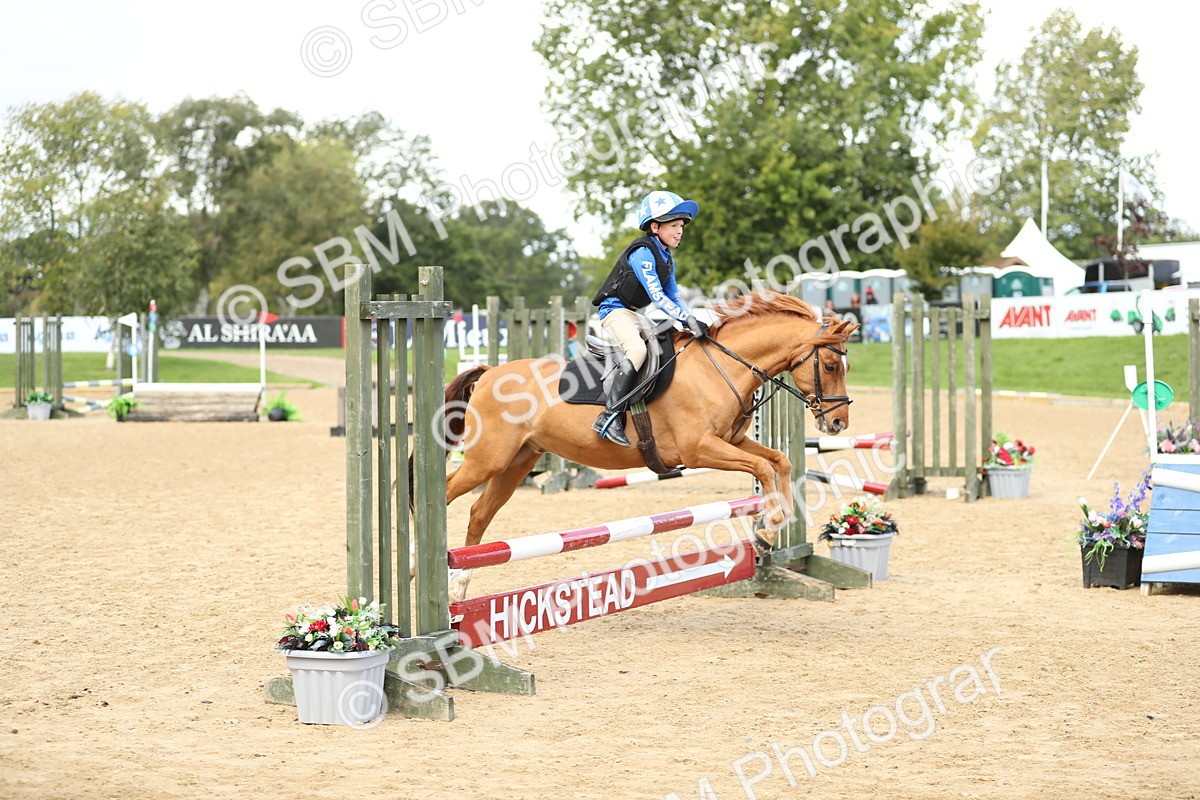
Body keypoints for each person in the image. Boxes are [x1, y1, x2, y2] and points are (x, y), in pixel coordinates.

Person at [590, 190, 708, 447]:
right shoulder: (642, 253)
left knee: (669, 342)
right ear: (655, 227)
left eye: (681, 226)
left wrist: (689, 318)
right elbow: (657, 295)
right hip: (615, 310)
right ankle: (609, 416)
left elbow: (674, 294)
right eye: (674, 226)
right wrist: (686, 320)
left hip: (636, 313)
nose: (680, 232)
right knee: (637, 349)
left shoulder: (666, 258)